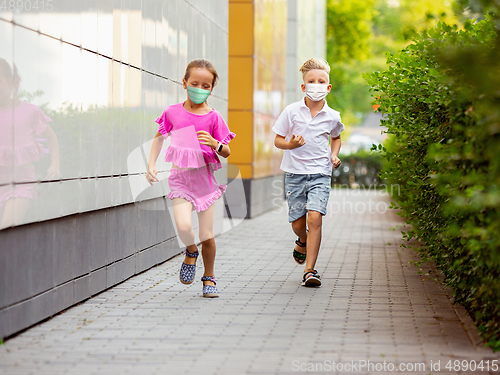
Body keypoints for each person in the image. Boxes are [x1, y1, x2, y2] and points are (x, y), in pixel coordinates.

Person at [146, 59, 235, 298]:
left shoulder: (214, 117)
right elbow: (159, 137)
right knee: (184, 227)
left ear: (211, 89)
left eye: (205, 85)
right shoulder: (172, 112)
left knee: (207, 234)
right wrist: (151, 165)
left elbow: (227, 152)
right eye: (195, 83)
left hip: (205, 181)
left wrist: (217, 145)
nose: (200, 88)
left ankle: (209, 277)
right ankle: (191, 250)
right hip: (180, 179)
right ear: (185, 83)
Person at [272, 58, 344, 287]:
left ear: (328, 87)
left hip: (320, 174)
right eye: (311, 81)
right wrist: (290, 145)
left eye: (321, 81)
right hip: (294, 173)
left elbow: (337, 138)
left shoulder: (333, 116)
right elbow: (277, 140)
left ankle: (309, 270)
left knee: (315, 218)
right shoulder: (291, 111)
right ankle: (301, 240)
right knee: (297, 223)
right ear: (303, 86)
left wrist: (334, 155)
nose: (316, 84)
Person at [0, 58, 60, 229]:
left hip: (20, 182)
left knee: (7, 228)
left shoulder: (29, 111)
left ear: (12, 82)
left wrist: (55, 165)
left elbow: (51, 137)